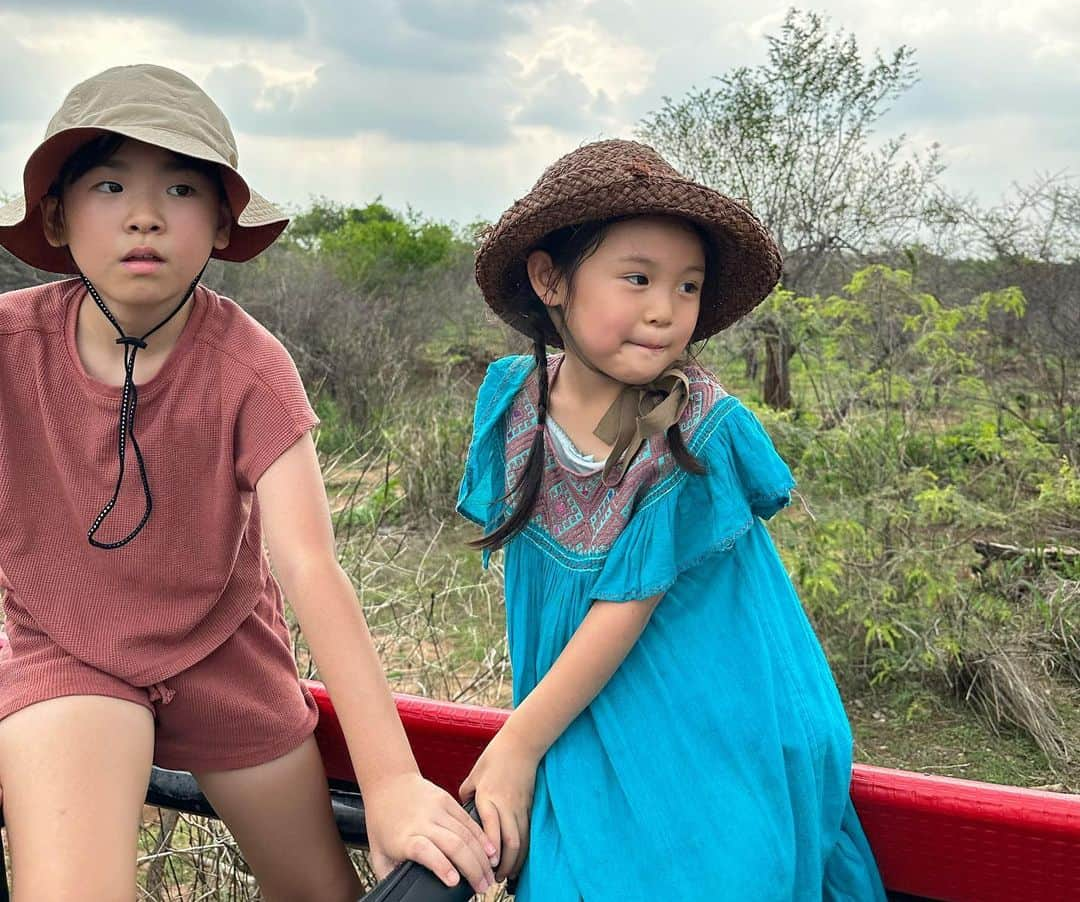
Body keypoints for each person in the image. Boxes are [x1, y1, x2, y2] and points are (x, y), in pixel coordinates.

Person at [0, 65, 497, 901]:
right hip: (69, 646)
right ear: (57, 213)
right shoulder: (11, 348)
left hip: (223, 654)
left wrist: (391, 783)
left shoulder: (250, 368)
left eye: (183, 188)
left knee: (319, 891)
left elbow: (308, 563)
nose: (145, 214)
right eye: (110, 184)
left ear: (223, 221)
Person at [456, 139, 888, 900]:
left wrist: (517, 746)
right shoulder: (512, 401)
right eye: (637, 278)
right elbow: (535, 593)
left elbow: (623, 610)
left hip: (715, 712)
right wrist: (530, 734)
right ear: (549, 278)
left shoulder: (697, 430)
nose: (665, 310)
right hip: (575, 708)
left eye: (687, 287)